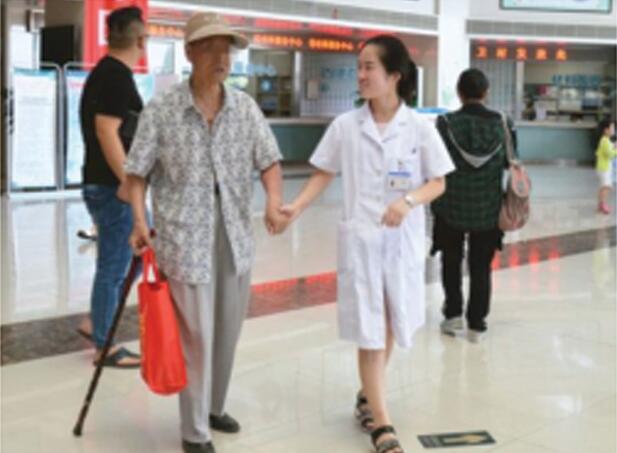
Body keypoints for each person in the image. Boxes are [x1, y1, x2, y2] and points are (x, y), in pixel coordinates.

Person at [279, 35, 454, 453]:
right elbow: (324, 171)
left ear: (394, 75)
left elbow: (438, 182)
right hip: (362, 239)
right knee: (370, 329)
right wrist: (296, 207)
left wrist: (407, 202)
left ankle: (366, 396)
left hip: (400, 242)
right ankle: (382, 424)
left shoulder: (419, 128)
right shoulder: (346, 126)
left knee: (389, 320)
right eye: (359, 67)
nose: (360, 75)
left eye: (369, 67)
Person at [124, 13, 286, 453]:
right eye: (211, 47)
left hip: (234, 232)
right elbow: (136, 174)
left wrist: (273, 201)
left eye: (226, 49)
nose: (221, 57)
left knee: (226, 329)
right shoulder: (163, 109)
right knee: (195, 334)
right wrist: (139, 220)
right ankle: (194, 432)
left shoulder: (244, 108)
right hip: (184, 235)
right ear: (190, 52)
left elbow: (270, 161)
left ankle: (214, 407)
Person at [78, 6, 147, 368]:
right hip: (112, 187)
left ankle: (96, 321)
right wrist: (128, 183)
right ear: (141, 40)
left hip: (106, 183)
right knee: (115, 265)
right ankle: (104, 345)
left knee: (135, 255)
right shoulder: (116, 77)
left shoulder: (107, 73)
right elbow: (107, 131)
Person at [431, 68, 516, 343]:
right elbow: (510, 162)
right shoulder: (502, 123)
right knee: (481, 265)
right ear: (486, 92)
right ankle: (476, 323)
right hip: (487, 208)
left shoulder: (445, 123)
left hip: (450, 206)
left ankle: (453, 314)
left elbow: (435, 163)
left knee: (451, 260)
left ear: (459, 93)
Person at [595, 119, 616, 215]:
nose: (614, 130)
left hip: (603, 168)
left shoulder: (605, 140)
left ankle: (600, 204)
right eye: (612, 128)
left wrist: (614, 146)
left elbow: (609, 149)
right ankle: (603, 204)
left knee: (604, 187)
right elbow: (609, 154)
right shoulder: (605, 141)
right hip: (604, 168)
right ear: (606, 130)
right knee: (606, 187)